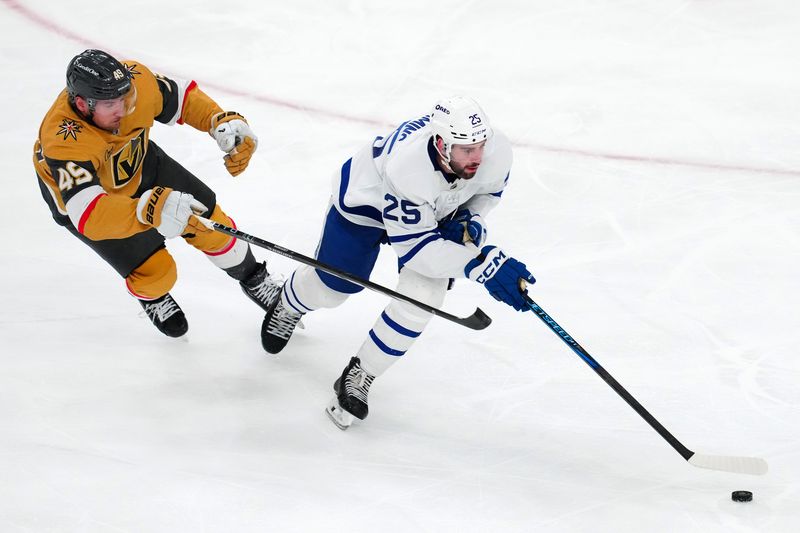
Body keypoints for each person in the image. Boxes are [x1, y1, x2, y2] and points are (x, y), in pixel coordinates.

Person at [259, 96, 535, 429]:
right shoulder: (409, 168)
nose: (477, 157)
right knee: (333, 289)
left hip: (428, 211)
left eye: (480, 146)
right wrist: (480, 266)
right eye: (466, 150)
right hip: (366, 207)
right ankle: (289, 303)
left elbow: (487, 193)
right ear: (441, 144)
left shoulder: (496, 150)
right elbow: (416, 250)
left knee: (423, 298)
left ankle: (360, 374)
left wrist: (471, 218)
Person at [33, 49, 281, 338]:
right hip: (97, 205)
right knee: (157, 274)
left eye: (125, 98)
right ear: (81, 104)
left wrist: (218, 120)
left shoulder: (135, 81)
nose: (122, 109)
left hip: (138, 164)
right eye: (110, 104)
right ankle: (152, 296)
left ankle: (253, 278)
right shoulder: (64, 140)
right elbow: (89, 215)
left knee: (214, 227)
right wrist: (147, 210)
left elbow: (182, 99)